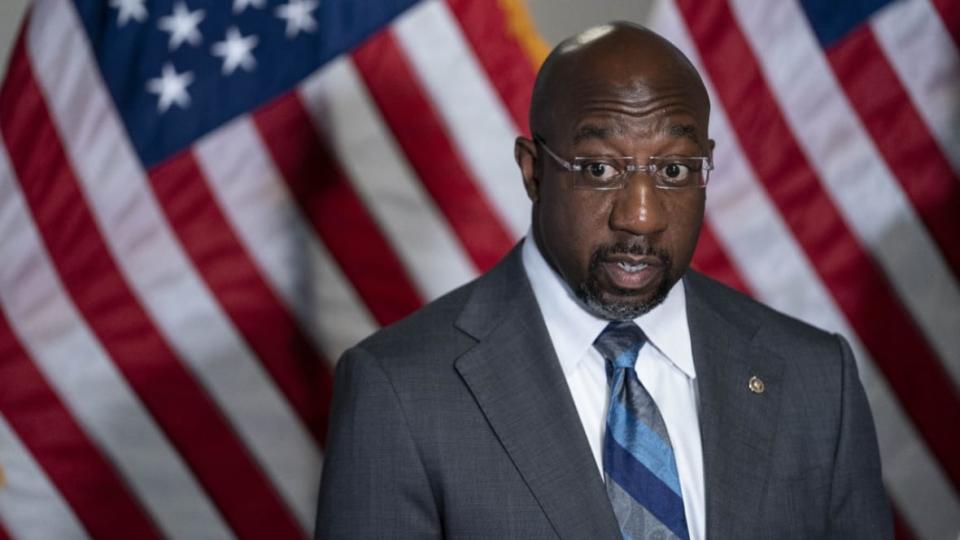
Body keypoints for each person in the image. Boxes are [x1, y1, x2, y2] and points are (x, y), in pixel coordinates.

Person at [314, 21, 891, 539]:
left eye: (673, 170)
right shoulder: (400, 391)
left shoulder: (817, 380)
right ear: (533, 171)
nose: (640, 215)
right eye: (599, 169)